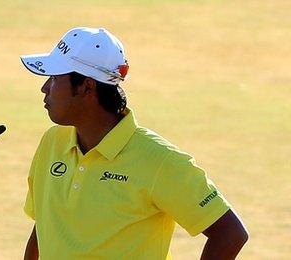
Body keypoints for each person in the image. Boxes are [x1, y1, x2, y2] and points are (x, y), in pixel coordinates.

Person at [20, 27, 248, 259]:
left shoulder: (159, 160)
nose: (45, 88)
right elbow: (45, 226)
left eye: (55, 78)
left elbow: (230, 233)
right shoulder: (52, 142)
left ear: (87, 86)